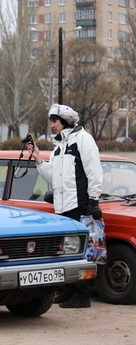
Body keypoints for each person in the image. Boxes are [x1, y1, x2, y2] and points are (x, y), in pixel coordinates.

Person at [28, 103, 103, 309]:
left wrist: (93, 200)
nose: (52, 125)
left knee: (81, 251)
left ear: (65, 121)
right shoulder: (59, 145)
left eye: (54, 121)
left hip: (79, 205)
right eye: (52, 121)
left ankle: (81, 295)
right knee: (67, 251)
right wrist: (38, 159)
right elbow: (52, 176)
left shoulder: (83, 140)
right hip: (62, 207)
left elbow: (94, 171)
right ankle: (69, 291)